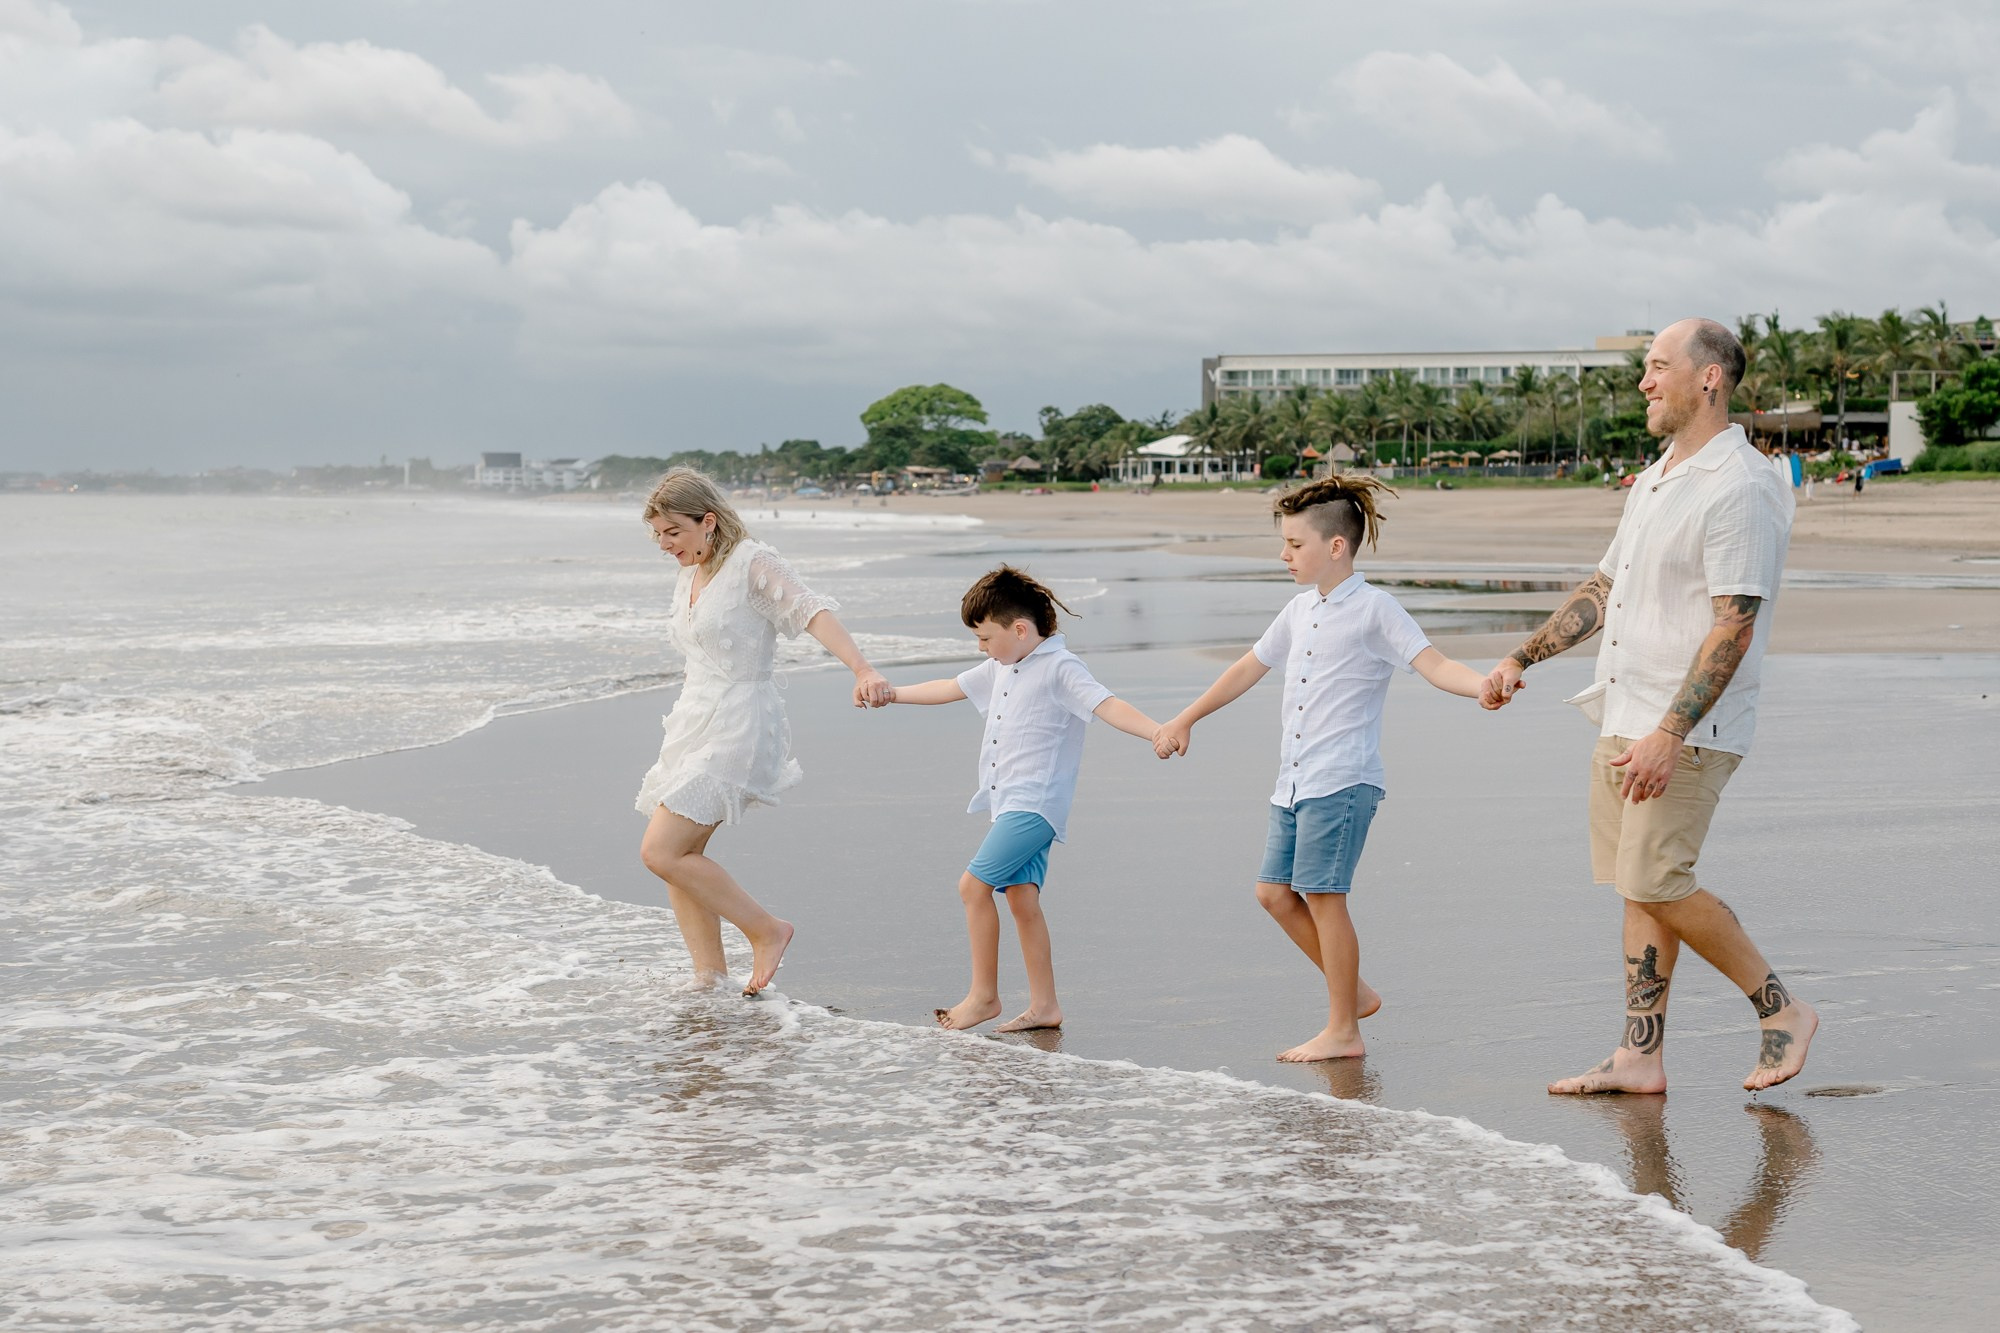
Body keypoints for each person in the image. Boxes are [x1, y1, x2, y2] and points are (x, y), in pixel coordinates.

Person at [1481, 318, 1818, 1095]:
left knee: (1660, 877)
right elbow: (1605, 589)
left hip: (1686, 729)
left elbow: (1735, 621)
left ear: (1709, 378)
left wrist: (1672, 730)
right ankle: (1639, 1054)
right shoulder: (1663, 470)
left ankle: (1783, 1007)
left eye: (1658, 366)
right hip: (1623, 712)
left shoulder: (1739, 485)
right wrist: (1520, 656)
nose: (1643, 381)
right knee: (1638, 887)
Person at [1153, 477, 1490, 1063]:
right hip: (1294, 778)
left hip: (1342, 778)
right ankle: (1353, 992)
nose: (1284, 556)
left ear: (1336, 546)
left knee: (1322, 895)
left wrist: (1482, 686)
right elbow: (1246, 668)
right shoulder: (1299, 609)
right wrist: (1186, 718)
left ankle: (1343, 1030)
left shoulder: (1375, 609)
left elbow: (1434, 665)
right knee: (1273, 893)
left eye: (1294, 544)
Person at [634, 467, 891, 997]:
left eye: (673, 532)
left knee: (662, 850)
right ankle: (709, 981)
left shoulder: (752, 562)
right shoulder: (690, 571)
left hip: (738, 721)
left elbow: (811, 611)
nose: (664, 545)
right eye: (657, 534)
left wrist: (863, 670)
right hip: (693, 720)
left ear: (708, 521)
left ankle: (767, 930)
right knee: (680, 861)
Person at [880, 566, 1166, 1033]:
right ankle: (1044, 1006)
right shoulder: (1003, 666)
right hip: (1010, 802)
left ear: (1019, 629)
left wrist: (1156, 730)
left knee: (972, 888)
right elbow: (950, 688)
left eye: (985, 637)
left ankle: (983, 996)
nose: (981, 648)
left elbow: (1105, 704)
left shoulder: (1060, 667)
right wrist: (892, 695)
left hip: (1035, 805)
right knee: (1021, 899)